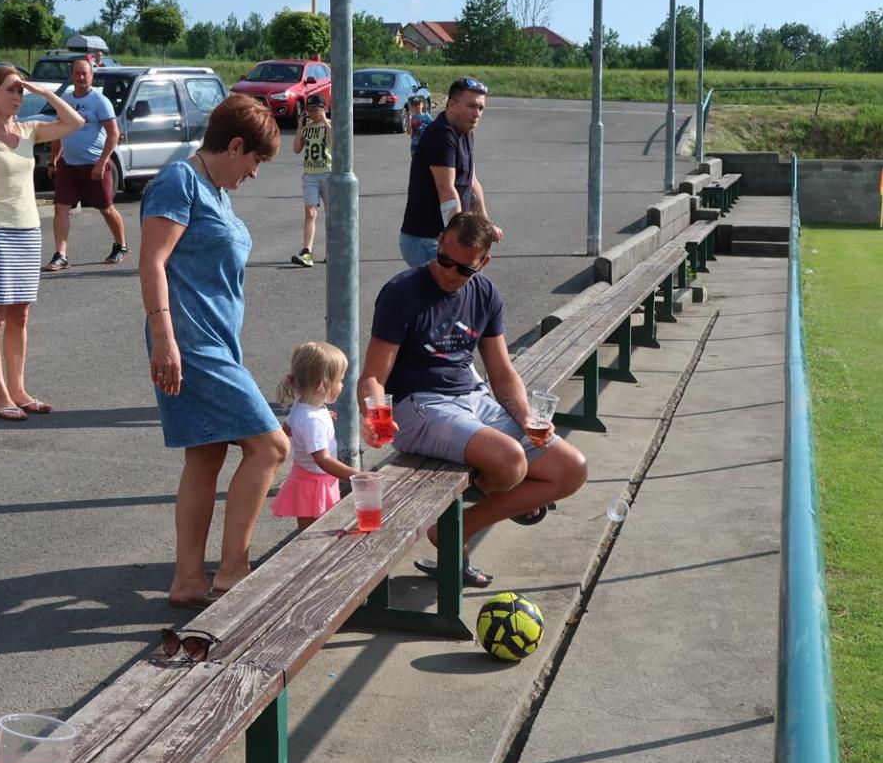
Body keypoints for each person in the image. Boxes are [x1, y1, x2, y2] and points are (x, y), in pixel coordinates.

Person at [359, 212, 588, 587]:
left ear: (484, 262)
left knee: (571, 469)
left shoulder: (485, 293)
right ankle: (507, 492)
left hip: (472, 396)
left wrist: (527, 417)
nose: (450, 273)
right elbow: (372, 377)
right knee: (510, 461)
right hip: (419, 405)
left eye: (464, 268)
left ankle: (456, 529)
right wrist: (372, 415)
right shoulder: (401, 292)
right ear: (439, 242)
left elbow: (502, 372)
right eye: (444, 260)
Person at [139, 93, 290, 609]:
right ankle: (232, 571)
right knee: (271, 447)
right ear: (235, 145)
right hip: (191, 343)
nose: (254, 173)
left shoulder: (215, 191)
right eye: (255, 160)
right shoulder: (179, 181)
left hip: (217, 341)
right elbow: (152, 261)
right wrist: (164, 338)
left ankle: (188, 580)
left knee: (206, 455)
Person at [0, 65, 85, 421]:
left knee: (20, 314)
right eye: (11, 90)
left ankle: (18, 390)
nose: (17, 97)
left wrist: (44, 93)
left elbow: (75, 122)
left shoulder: (30, 130)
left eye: (20, 91)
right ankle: (0, 395)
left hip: (29, 231)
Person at [398, 76, 502, 268]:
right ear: (451, 105)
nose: (476, 113)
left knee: (463, 285)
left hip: (441, 237)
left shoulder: (465, 132)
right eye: (471, 106)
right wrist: (460, 238)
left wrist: (485, 223)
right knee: (457, 284)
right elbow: (446, 188)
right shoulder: (441, 134)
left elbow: (471, 181)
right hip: (427, 240)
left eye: (480, 108)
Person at [44, 57, 127, 271]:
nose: (81, 77)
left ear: (92, 76)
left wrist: (102, 162)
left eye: (85, 73)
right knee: (61, 208)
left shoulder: (99, 101)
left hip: (94, 166)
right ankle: (61, 255)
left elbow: (113, 134)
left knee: (106, 209)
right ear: (72, 75)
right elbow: (58, 132)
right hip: (68, 166)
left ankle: (121, 245)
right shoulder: (66, 101)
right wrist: (54, 160)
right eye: (77, 73)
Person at [272, 342, 360, 531]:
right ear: (323, 385)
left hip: (307, 477)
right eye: (339, 380)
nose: (342, 385)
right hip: (314, 484)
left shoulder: (302, 405)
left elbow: (287, 429)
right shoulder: (313, 420)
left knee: (314, 531)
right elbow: (323, 459)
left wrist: (319, 421)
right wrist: (356, 476)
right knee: (313, 535)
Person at [289, 95, 332, 268]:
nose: (312, 113)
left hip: (328, 173)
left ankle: (332, 251)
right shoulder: (307, 127)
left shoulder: (329, 125)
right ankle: (307, 252)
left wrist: (325, 120)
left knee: (331, 215)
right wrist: (300, 126)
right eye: (309, 110)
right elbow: (296, 149)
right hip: (310, 175)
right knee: (310, 213)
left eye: (316, 110)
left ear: (324, 109)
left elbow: (338, 142)